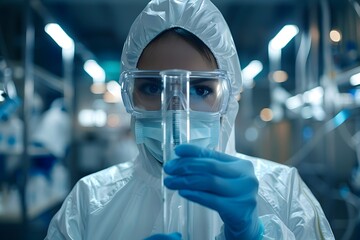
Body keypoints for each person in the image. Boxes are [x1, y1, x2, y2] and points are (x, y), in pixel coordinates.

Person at [45, 0, 335, 239]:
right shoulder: (88, 203)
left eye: (200, 89)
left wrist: (253, 234)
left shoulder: (284, 193)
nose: (176, 112)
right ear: (129, 96)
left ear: (227, 98)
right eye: (152, 87)